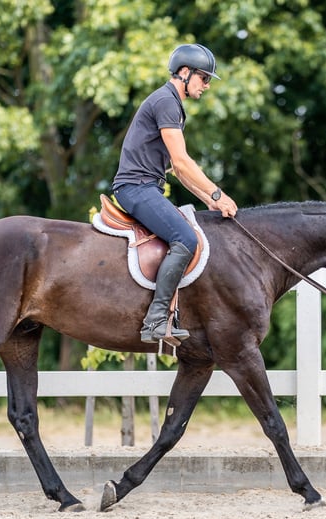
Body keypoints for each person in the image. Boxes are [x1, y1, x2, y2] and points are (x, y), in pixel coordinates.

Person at [112, 43, 238, 345]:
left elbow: (179, 172)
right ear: (184, 72)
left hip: (145, 186)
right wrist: (218, 193)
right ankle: (156, 319)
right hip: (136, 187)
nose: (206, 86)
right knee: (186, 238)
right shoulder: (166, 102)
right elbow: (182, 161)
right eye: (204, 78)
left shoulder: (171, 104)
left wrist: (208, 200)